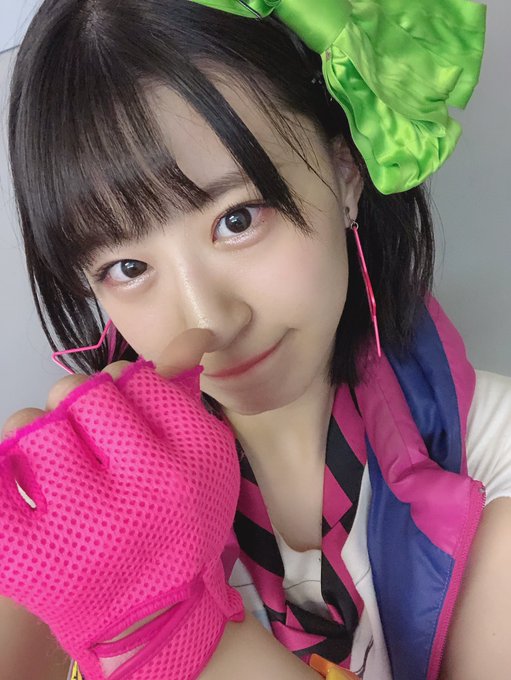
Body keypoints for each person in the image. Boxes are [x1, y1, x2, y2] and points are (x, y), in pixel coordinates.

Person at [1, 0, 510, 679]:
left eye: (237, 219)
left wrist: (166, 636)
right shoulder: (54, 520)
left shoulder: (488, 452)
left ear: (346, 172)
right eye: (127, 268)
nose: (207, 318)